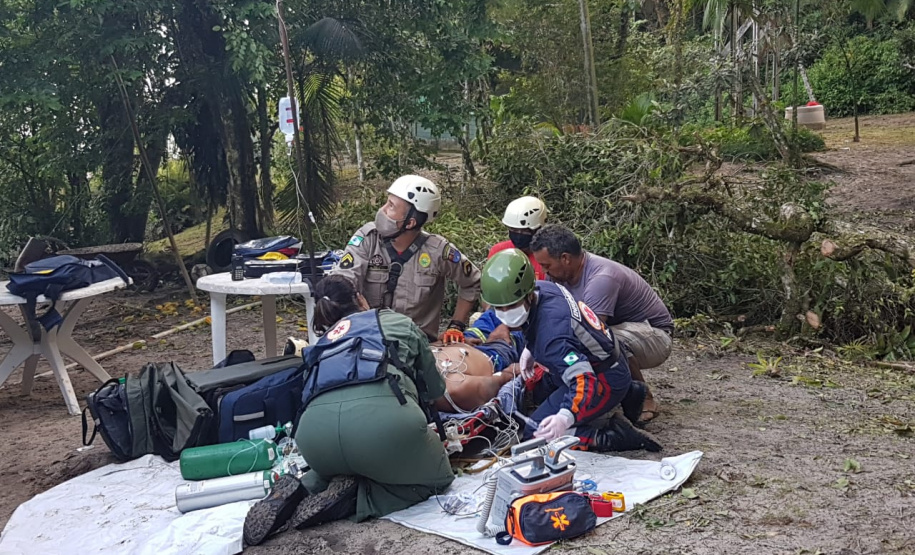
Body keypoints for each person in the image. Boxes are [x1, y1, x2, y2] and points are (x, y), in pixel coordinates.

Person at [243, 275, 454, 546]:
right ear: (359, 298)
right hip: (382, 427)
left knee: (338, 461)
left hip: (314, 438)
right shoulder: (396, 322)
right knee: (437, 478)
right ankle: (358, 497)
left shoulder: (321, 344)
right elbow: (436, 393)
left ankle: (306, 487)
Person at [480, 249, 662, 453]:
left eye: (511, 306)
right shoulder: (545, 288)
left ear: (527, 295)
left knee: (537, 435)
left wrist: (565, 417)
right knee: (539, 390)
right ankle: (629, 393)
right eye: (499, 308)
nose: (505, 314)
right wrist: (531, 350)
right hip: (605, 358)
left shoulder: (553, 336)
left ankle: (609, 436)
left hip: (602, 376)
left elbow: (583, 379)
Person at [530, 225, 674, 423]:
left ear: (565, 258)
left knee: (609, 342)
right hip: (616, 328)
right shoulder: (559, 276)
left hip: (654, 335)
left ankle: (644, 398)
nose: (544, 272)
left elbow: (592, 333)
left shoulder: (601, 278)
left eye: (547, 266)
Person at [331, 175, 481, 344]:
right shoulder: (368, 239)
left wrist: (456, 325)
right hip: (368, 338)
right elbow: (344, 279)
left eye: (391, 206)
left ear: (410, 222)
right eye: (387, 202)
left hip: (418, 347)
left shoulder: (438, 251)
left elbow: (472, 281)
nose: (382, 210)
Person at [488, 196, 548, 280]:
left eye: (524, 231)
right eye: (513, 230)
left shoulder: (548, 259)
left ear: (538, 229)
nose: (519, 235)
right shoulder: (498, 252)